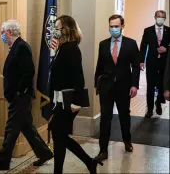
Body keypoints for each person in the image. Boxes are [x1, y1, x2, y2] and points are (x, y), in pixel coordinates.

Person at [0, 20, 53, 170]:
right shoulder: (16, 46)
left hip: (21, 97)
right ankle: (44, 153)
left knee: (11, 128)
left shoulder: (21, 47)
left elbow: (29, 72)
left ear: (9, 32)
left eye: (3, 32)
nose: (2, 35)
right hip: (20, 96)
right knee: (27, 127)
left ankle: (3, 161)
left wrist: (18, 92)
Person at [48, 15, 103, 174]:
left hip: (68, 101)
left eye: (58, 28)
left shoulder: (71, 48)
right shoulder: (62, 47)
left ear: (67, 29)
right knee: (60, 136)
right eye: (56, 28)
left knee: (60, 136)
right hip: (60, 99)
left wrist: (75, 103)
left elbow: (78, 77)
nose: (56, 31)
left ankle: (82, 163)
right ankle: (88, 162)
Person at [94, 14, 140, 162]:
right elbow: (99, 66)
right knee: (105, 118)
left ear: (122, 26)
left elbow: (136, 67)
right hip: (106, 87)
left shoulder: (131, 44)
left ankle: (127, 140)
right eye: (111, 26)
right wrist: (97, 84)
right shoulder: (103, 44)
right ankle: (103, 150)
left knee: (124, 115)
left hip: (124, 86)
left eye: (116, 26)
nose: (113, 29)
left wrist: (134, 85)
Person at [139, 10, 170, 118]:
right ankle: (150, 109)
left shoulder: (168, 30)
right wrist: (141, 61)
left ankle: (159, 103)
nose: (160, 18)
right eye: (158, 16)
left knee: (162, 85)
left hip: (164, 63)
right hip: (151, 62)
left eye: (162, 17)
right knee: (150, 87)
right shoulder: (148, 31)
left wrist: (166, 49)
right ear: (155, 17)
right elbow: (143, 46)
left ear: (165, 18)